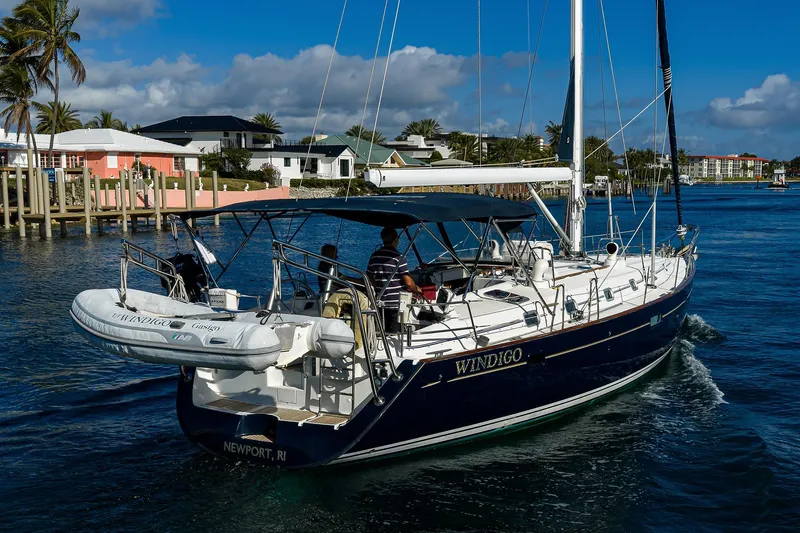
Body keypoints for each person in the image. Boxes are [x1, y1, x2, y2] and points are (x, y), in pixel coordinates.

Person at [366, 227, 423, 332]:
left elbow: (369, 278)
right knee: (395, 333)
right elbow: (408, 283)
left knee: (383, 331)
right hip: (397, 304)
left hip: (380, 302)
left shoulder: (374, 257)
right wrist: (416, 289)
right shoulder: (398, 257)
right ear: (396, 239)